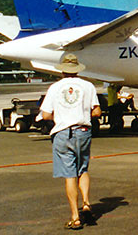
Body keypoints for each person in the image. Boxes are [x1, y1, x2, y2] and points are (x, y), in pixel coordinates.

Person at [40, 54, 101, 230]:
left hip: (63, 133)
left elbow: (45, 115)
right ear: (78, 69)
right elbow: (97, 112)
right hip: (83, 131)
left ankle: (75, 217)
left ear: (62, 71)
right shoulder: (88, 86)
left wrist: (59, 117)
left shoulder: (55, 87)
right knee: (83, 169)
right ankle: (87, 204)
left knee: (69, 174)